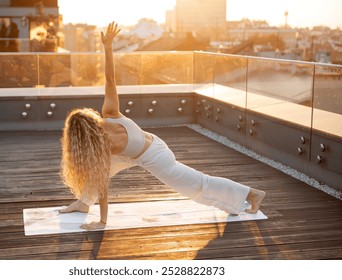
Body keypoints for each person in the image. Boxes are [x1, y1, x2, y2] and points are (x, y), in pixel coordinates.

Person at [59, 22, 266, 230]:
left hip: (156, 156)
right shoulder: (109, 114)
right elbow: (110, 79)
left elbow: (102, 185)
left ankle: (251, 194)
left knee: (198, 185)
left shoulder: (105, 146)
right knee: (100, 169)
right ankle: (83, 204)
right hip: (140, 145)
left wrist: (102, 222)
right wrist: (108, 47)